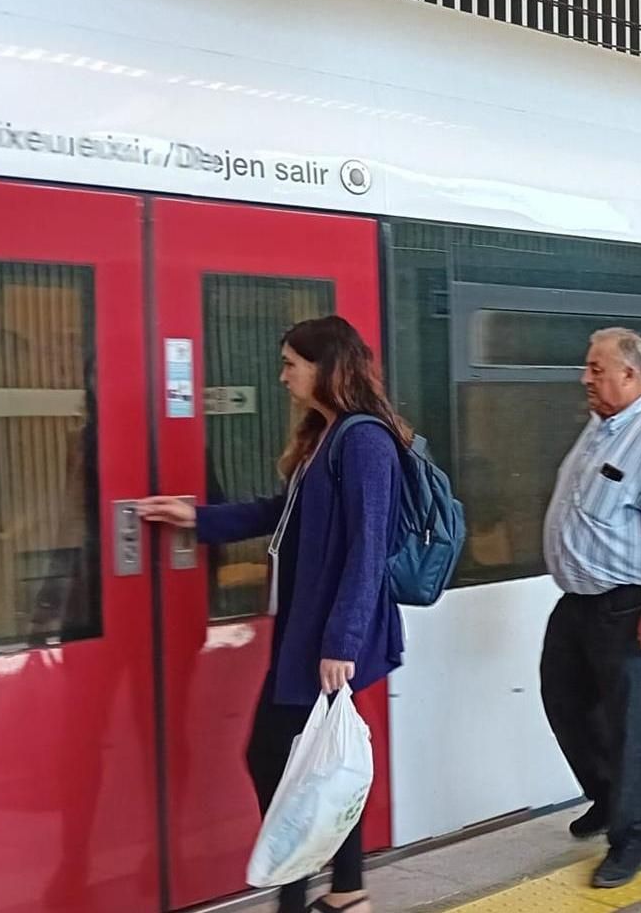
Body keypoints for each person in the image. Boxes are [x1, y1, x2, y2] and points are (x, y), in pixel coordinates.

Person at [139, 316, 407, 913]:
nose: (283, 376)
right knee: (318, 762)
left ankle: (303, 891)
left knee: (278, 756)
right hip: (308, 630)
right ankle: (344, 892)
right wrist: (197, 521)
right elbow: (278, 513)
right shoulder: (329, 437)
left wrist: (341, 641)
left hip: (330, 635)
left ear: (326, 368)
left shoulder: (364, 442)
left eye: (292, 364)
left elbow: (368, 549)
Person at [539, 327, 641, 889]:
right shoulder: (603, 425)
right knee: (562, 700)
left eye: (595, 368)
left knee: (628, 724)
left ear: (630, 375)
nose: (585, 378)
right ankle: (611, 796)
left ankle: (630, 840)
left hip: (631, 604)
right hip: (579, 602)